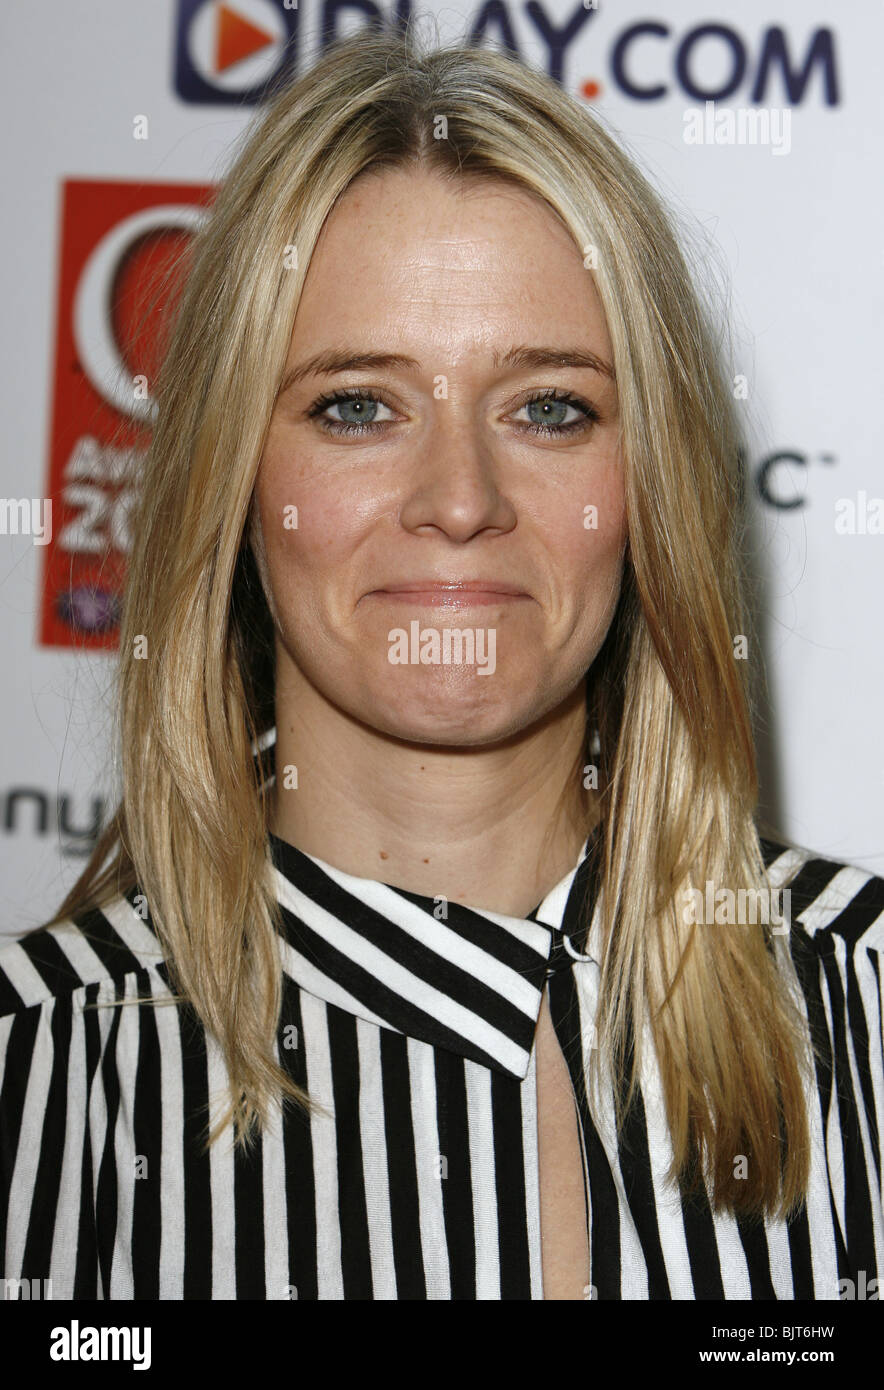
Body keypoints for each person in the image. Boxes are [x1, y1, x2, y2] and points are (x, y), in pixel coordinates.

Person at [1, 28, 881, 1301]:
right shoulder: (34, 1072)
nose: (460, 499)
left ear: (652, 482)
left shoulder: (866, 1007)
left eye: (549, 408)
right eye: (357, 405)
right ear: (229, 478)